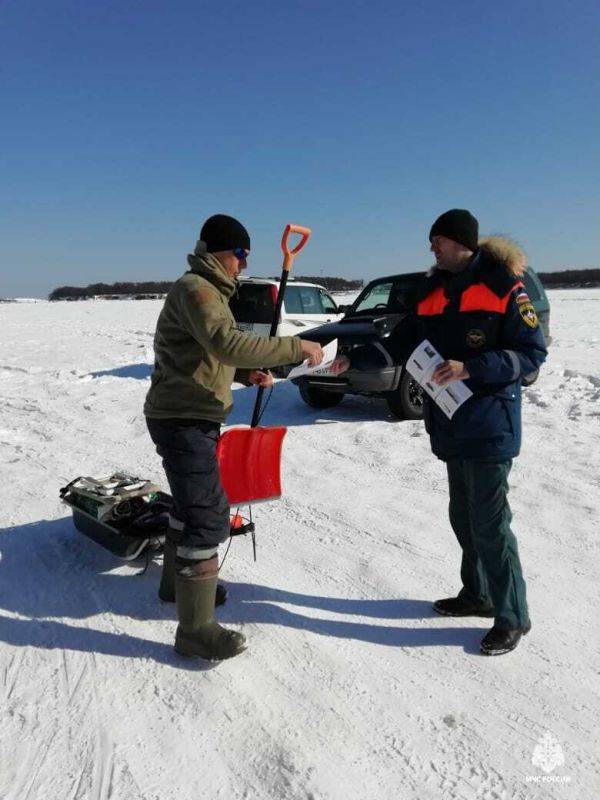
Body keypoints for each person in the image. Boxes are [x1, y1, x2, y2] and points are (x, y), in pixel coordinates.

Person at [339, 209, 547, 655]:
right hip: (450, 421)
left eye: (437, 240)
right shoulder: (432, 289)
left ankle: (513, 615)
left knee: (491, 524)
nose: (431, 247)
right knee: (464, 517)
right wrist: (353, 359)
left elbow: (530, 353)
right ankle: (478, 594)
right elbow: (404, 338)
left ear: (460, 242)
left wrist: (471, 367)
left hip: (490, 423)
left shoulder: (503, 286)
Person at [144, 214, 323, 661]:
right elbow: (225, 341)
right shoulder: (197, 289)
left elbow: (211, 353)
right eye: (240, 254)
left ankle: (175, 588)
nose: (243, 264)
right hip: (182, 418)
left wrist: (243, 373)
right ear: (218, 252)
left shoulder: (209, 290)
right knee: (208, 517)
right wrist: (295, 347)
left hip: (189, 413)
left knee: (190, 506)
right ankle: (196, 629)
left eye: (246, 256)